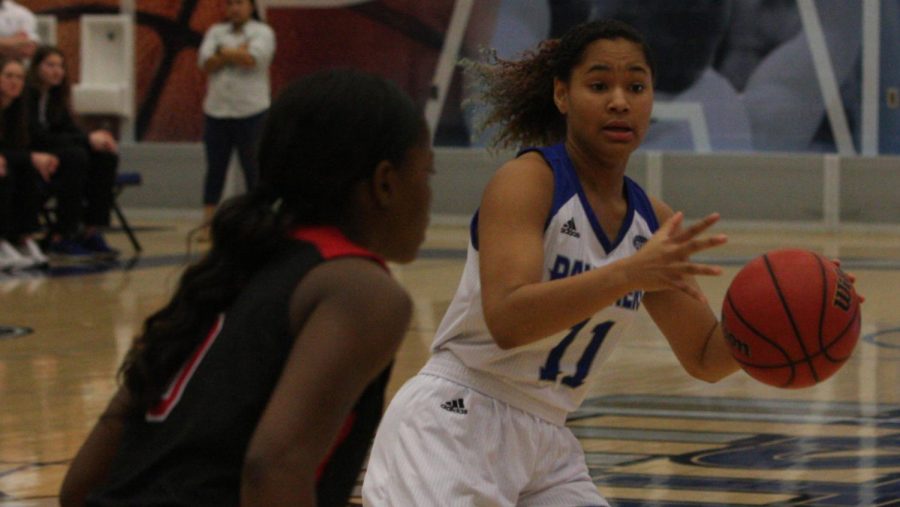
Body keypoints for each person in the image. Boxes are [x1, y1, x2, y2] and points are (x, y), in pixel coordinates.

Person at [363, 19, 739, 506]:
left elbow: (706, 356)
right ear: (562, 95)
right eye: (599, 85)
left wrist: (781, 335)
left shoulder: (652, 222)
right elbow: (509, 320)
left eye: (636, 86)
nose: (620, 101)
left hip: (548, 440)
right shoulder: (529, 181)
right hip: (456, 419)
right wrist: (628, 273)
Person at [58, 68, 434, 507]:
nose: (427, 193)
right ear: (385, 182)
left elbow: (78, 486)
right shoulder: (362, 290)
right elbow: (272, 467)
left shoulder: (231, 266)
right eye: (426, 173)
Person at [26, 45, 120, 259]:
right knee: (75, 156)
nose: (57, 71)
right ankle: (62, 233)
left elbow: (70, 128)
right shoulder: (27, 94)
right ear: (36, 67)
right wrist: (87, 140)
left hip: (56, 150)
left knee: (105, 155)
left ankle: (90, 229)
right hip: (33, 150)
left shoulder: (56, 96)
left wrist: (96, 138)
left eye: (60, 66)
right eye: (50, 65)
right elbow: (35, 135)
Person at [196, 0, 275, 238]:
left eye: (239, 3)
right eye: (230, 4)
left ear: (251, 7)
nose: (234, 9)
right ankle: (208, 223)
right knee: (215, 169)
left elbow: (253, 60)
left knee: (254, 169)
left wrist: (223, 52)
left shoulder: (263, 32)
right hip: (217, 111)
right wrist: (236, 51)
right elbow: (206, 63)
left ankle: (260, 221)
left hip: (251, 111)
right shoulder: (215, 32)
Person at [0, 56, 52, 270]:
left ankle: (22, 237)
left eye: (19, 77)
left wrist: (34, 159)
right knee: (6, 173)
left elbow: (16, 149)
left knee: (27, 170)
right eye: (8, 76)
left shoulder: (17, 111)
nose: (14, 82)